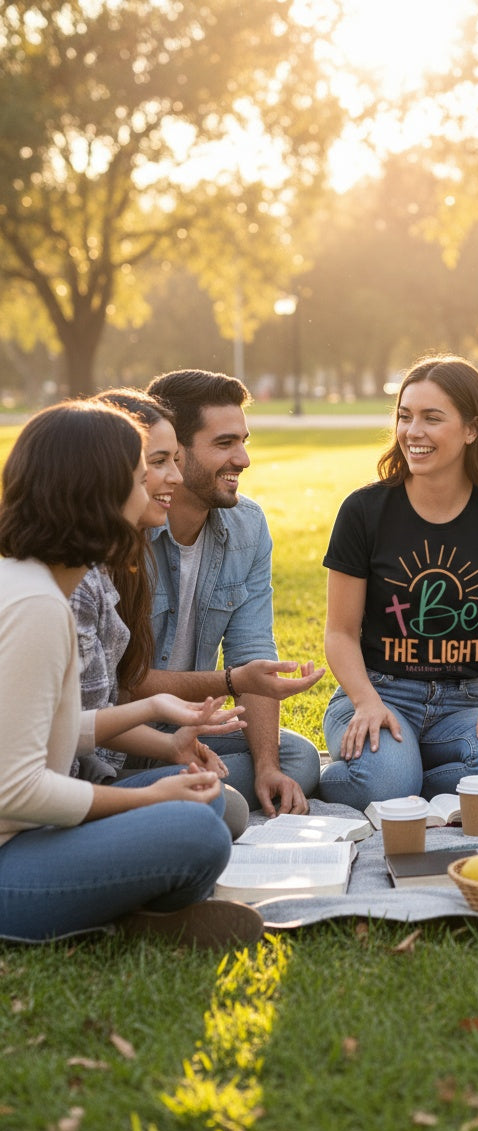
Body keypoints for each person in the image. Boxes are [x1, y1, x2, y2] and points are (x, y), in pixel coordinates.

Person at [0, 400, 262, 946]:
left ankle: (118, 901)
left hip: (29, 832)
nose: (153, 493)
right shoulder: (35, 607)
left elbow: (43, 731)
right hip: (11, 854)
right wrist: (149, 801)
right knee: (193, 829)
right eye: (139, 479)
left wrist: (152, 709)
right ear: (95, 494)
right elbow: (16, 790)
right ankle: (126, 914)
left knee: (205, 796)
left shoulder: (38, 586)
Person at [318, 354, 478, 810]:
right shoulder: (363, 511)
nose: (411, 432)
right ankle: (380, 774)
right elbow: (339, 632)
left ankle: (403, 773)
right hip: (378, 691)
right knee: (387, 781)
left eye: (431, 418)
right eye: (404, 416)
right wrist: (365, 702)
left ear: (472, 429)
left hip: (464, 701)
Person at [128, 369, 324, 817]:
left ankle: (186, 782)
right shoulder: (127, 533)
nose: (243, 459)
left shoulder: (248, 526)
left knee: (297, 759)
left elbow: (251, 651)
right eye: (224, 444)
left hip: (194, 725)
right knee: (223, 806)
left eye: (243, 441)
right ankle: (161, 787)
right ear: (173, 450)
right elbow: (121, 682)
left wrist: (266, 768)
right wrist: (232, 682)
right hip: (118, 730)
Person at [69, 389, 249, 838]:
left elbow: (80, 723)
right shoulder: (68, 586)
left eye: (175, 460)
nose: (175, 476)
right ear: (108, 472)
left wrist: (172, 746)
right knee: (210, 819)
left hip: (82, 767)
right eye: (158, 462)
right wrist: (149, 796)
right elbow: (39, 775)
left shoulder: (114, 569)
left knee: (250, 789)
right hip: (62, 795)